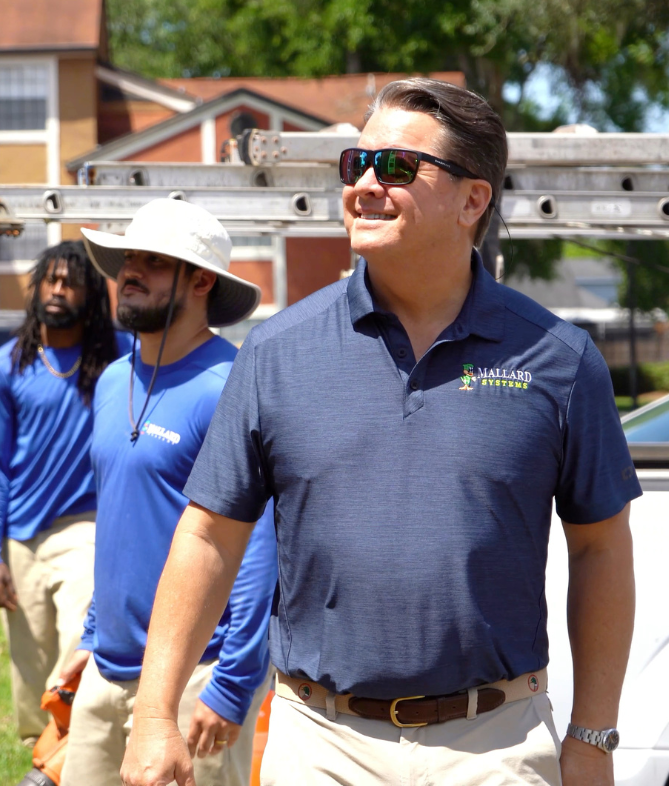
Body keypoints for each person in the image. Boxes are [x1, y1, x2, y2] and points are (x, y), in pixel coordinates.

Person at [120, 79, 641, 786]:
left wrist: (593, 737)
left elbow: (601, 547)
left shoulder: (559, 358)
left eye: (395, 167)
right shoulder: (276, 352)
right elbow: (209, 536)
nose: (365, 183)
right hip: (320, 744)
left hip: (497, 745)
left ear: (472, 200)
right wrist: (154, 715)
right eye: (354, 164)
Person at [57, 199, 277, 786]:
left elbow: (257, 549)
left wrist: (232, 686)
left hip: (195, 679)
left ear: (202, 279)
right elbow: (119, 523)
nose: (131, 272)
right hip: (106, 671)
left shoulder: (230, 386)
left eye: (154, 261)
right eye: (129, 257)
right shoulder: (110, 380)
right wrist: (91, 634)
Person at [0, 240, 127, 743]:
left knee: (74, 653)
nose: (59, 289)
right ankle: (41, 758)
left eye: (72, 281)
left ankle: (73, 755)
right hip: (19, 537)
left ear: (90, 295)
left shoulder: (118, 357)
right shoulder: (6, 365)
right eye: (52, 279)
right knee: (29, 663)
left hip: (83, 530)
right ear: (38, 286)